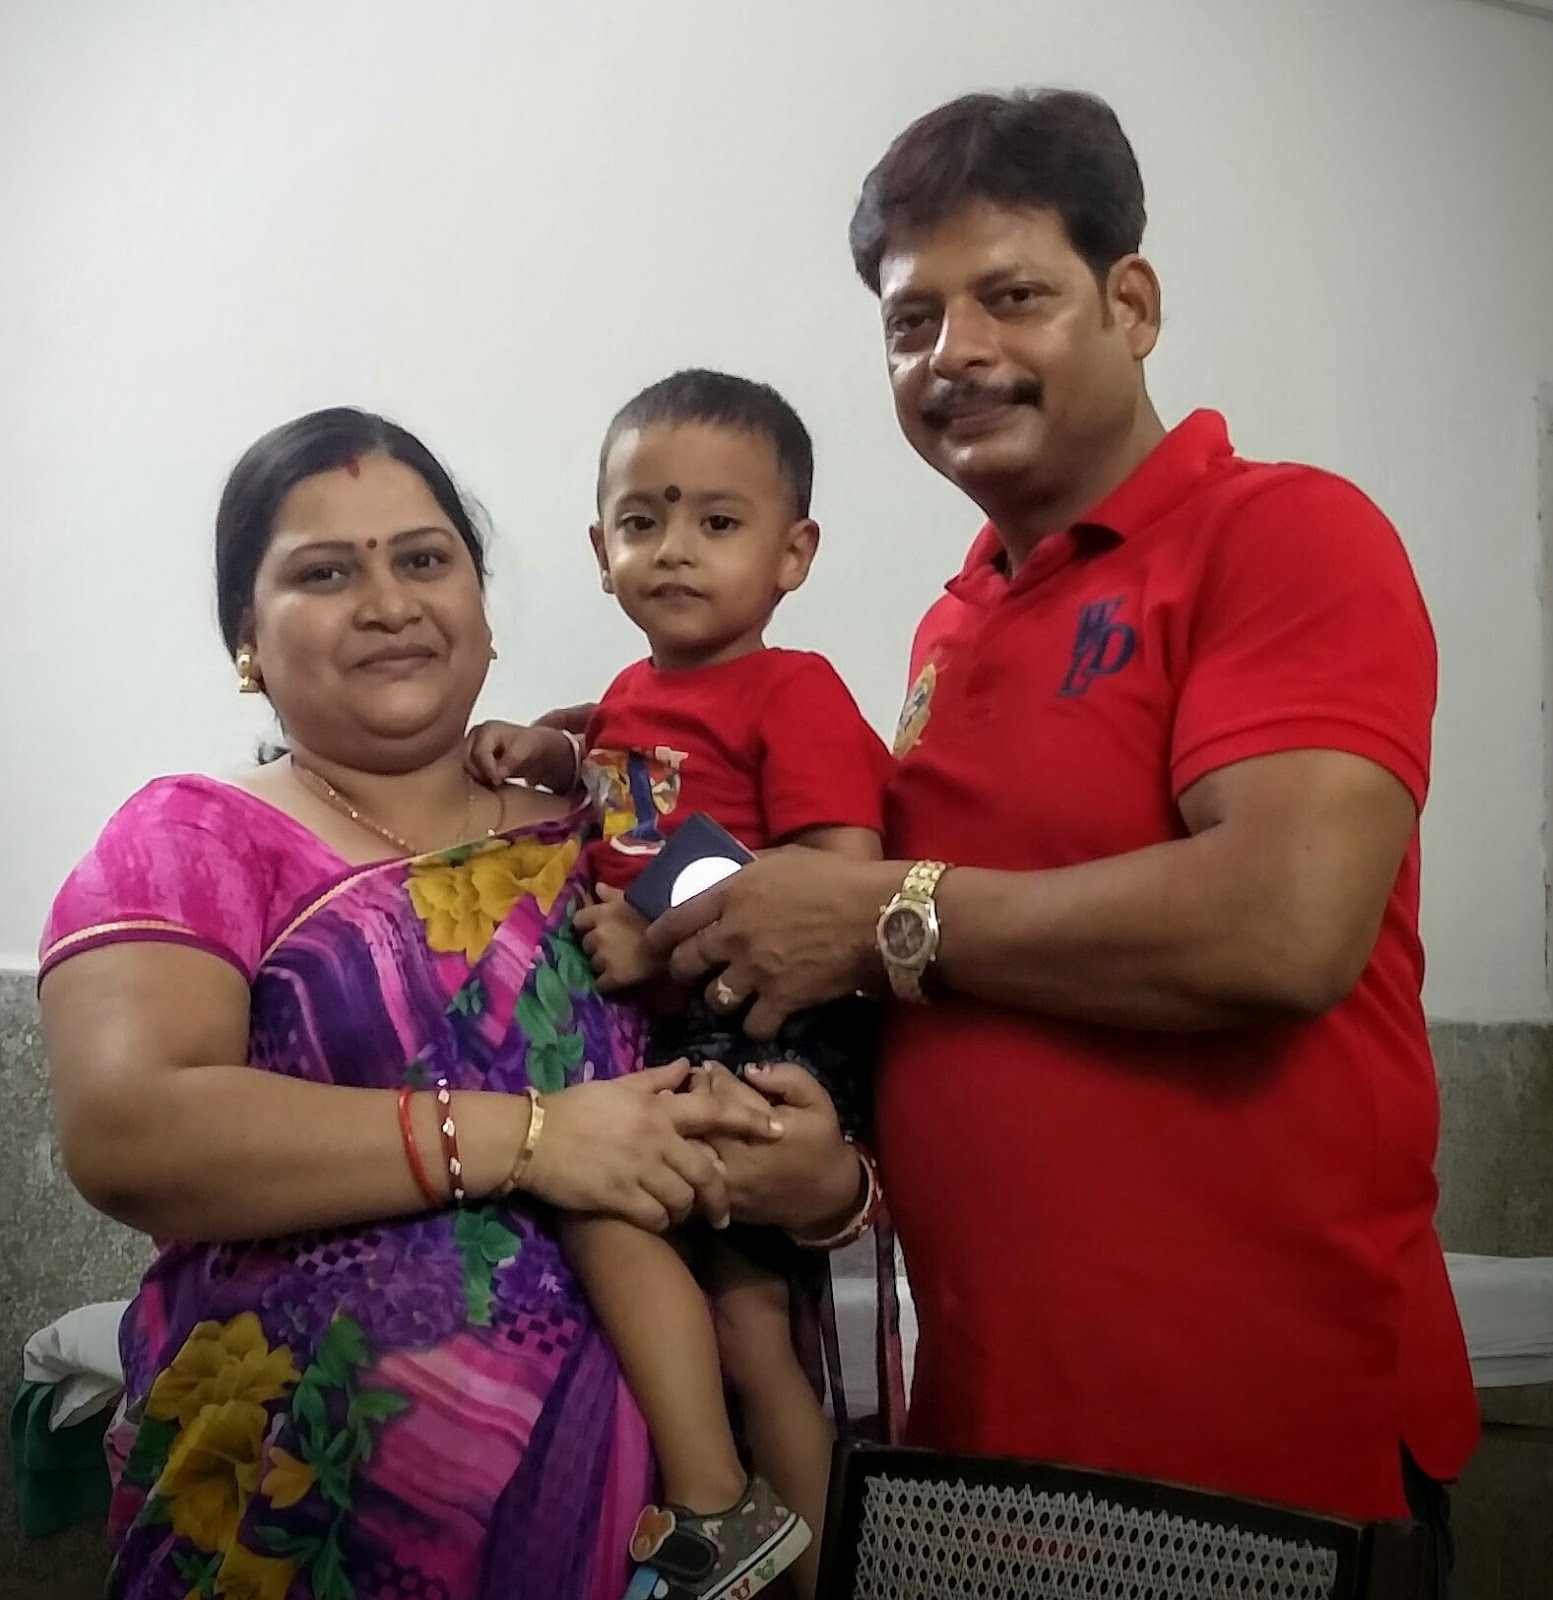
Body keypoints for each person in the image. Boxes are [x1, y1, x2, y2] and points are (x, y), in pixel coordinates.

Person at [643, 89, 1479, 1588]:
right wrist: (827, 1152)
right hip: (989, 1437)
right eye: (910, 322)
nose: (952, 353)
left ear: (1131, 303)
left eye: (1012, 296)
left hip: (1260, 1445)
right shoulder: (950, 626)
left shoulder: (1285, 535)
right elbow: (966, 1007)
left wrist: (875, 912)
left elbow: (1282, 924)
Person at [36, 406, 862, 1600]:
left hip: (663, 1523)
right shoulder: (190, 838)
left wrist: (828, 1188)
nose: (388, 603)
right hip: (301, 1529)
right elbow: (131, 1130)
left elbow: (784, 1001)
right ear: (245, 635)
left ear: (479, 603)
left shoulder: (622, 830)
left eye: (424, 559)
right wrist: (534, 1136)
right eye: (325, 573)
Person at [468, 370, 892, 1600]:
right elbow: (632, 783)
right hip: (685, 1031)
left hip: (769, 1026)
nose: (675, 549)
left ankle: (744, 1529)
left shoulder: (794, 689)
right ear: (599, 550)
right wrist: (549, 751)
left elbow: (836, 872)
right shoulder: (627, 699)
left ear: (792, 553)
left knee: (666, 1255)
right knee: (736, 1329)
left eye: (718, 521)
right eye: (642, 520)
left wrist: (656, 936)